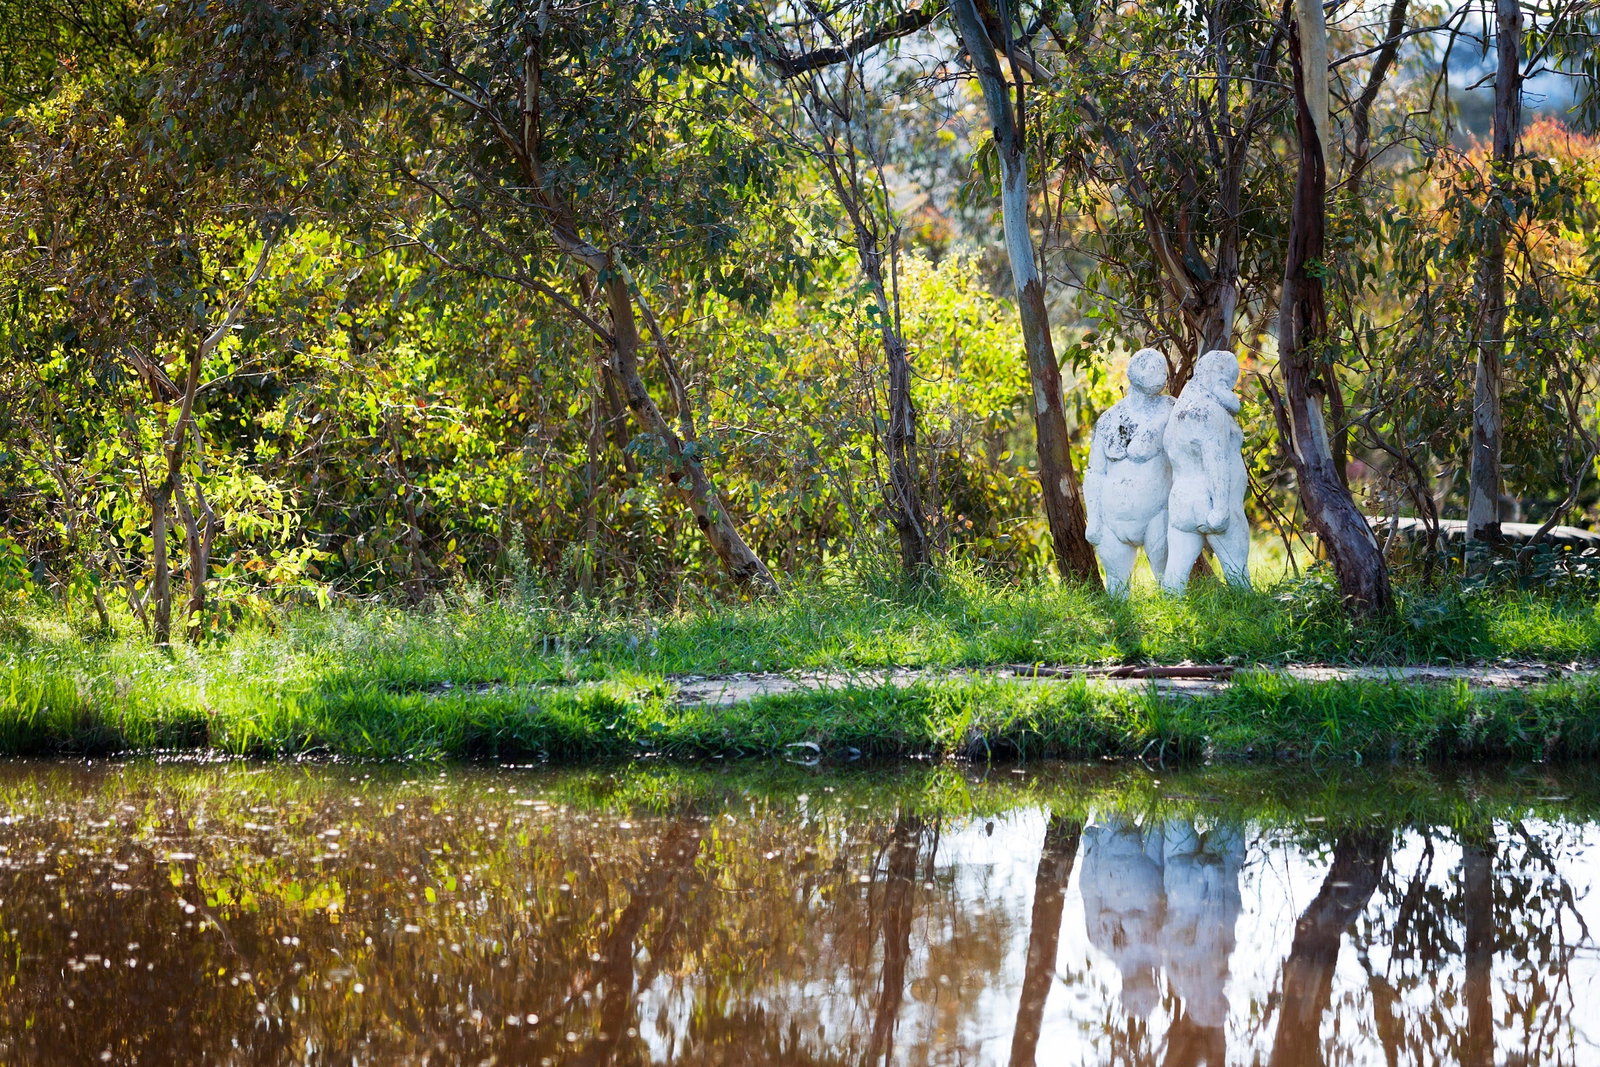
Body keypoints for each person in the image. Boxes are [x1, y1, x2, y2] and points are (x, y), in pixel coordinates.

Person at [1084, 349, 1174, 597]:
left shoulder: (1171, 409)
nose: (1157, 373)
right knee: (1116, 588)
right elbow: (1095, 472)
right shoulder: (1109, 419)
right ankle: (1119, 629)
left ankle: (1175, 624)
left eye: (1160, 368)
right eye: (1149, 367)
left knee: (1168, 582)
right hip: (1113, 520)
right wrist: (1094, 518)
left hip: (1158, 513)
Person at [1162, 350, 1249, 592]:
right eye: (1229, 380)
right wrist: (1221, 507)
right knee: (1238, 573)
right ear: (1220, 377)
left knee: (1175, 576)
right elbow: (1215, 458)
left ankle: (1168, 616)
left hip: (1182, 501)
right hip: (1212, 503)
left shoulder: (1177, 413)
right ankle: (1250, 617)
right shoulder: (1209, 411)